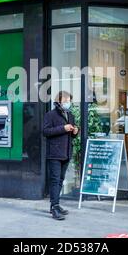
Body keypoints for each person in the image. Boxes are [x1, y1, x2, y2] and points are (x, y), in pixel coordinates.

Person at [43, 91, 79, 220]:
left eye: (69, 100)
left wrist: (75, 131)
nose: (68, 102)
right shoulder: (50, 115)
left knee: (60, 180)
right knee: (55, 179)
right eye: (66, 100)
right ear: (59, 100)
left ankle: (55, 205)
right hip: (54, 153)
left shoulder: (70, 114)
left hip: (66, 152)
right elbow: (45, 131)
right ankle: (54, 207)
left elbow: (72, 135)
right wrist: (63, 128)